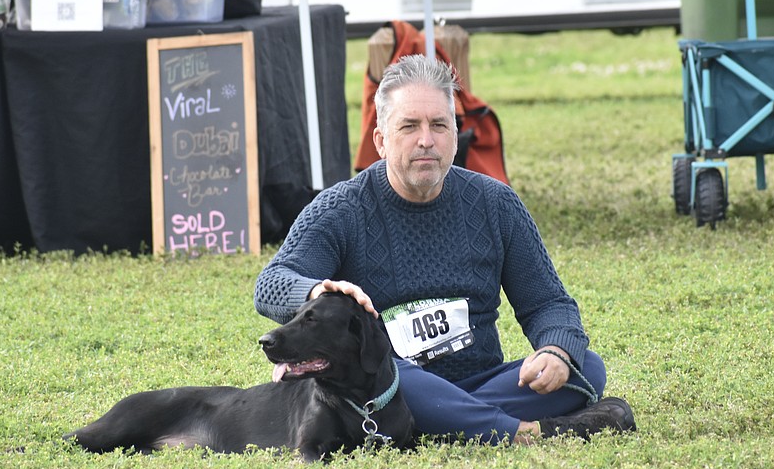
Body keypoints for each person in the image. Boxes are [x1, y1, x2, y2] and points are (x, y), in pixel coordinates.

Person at [254, 54, 635, 445]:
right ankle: (516, 432)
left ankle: (441, 423)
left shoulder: (495, 203)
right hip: (392, 382)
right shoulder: (340, 209)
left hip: (483, 379)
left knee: (586, 366)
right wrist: (319, 290)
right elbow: (271, 284)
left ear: (455, 133)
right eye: (409, 126)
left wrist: (555, 351)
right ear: (381, 141)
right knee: (391, 374)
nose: (426, 140)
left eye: (439, 125)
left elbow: (548, 303)